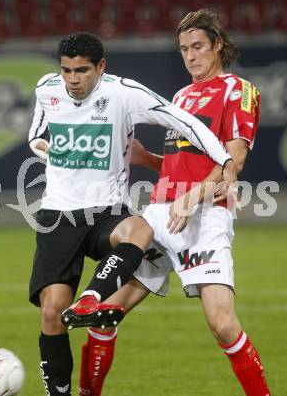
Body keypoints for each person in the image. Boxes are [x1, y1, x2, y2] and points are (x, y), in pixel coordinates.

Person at [27, 32, 236, 396]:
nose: (72, 80)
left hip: (106, 210)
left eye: (81, 71)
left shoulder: (123, 93)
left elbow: (181, 119)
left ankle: (93, 296)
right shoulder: (47, 88)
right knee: (52, 315)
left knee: (139, 229)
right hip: (57, 215)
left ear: (101, 67)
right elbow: (35, 134)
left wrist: (224, 158)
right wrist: (47, 150)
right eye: (66, 71)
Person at [75, 10, 271, 396]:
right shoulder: (181, 96)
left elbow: (234, 161)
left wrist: (193, 197)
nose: (191, 56)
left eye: (198, 46)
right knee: (104, 315)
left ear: (217, 44)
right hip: (161, 214)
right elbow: (183, 163)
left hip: (205, 216)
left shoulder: (239, 91)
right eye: (183, 49)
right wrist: (147, 159)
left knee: (222, 323)